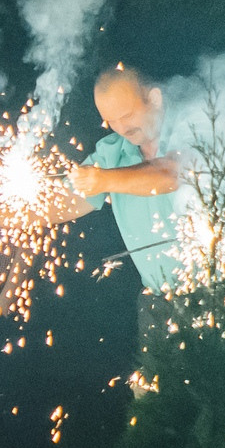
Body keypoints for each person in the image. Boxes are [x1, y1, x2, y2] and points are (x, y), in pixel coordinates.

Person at [67, 65, 183, 351]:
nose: (122, 128)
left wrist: (103, 179)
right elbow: (65, 203)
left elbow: (169, 175)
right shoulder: (112, 151)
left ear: (154, 98)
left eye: (128, 115)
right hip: (158, 301)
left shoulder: (193, 124)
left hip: (221, 291)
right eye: (111, 121)